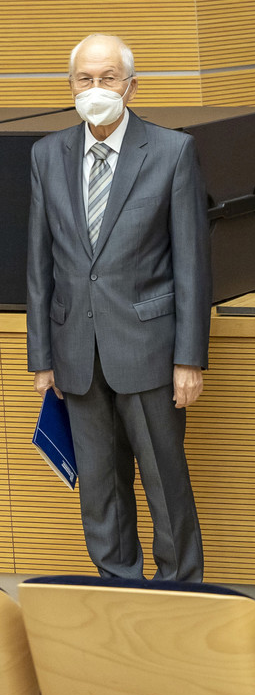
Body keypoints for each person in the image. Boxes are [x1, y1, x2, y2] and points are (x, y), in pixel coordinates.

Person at [26, 34, 210, 580]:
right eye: (85, 79)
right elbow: (39, 265)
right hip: (76, 354)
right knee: (100, 494)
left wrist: (189, 359)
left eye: (107, 78)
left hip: (150, 351)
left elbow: (192, 265)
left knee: (165, 488)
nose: (96, 88)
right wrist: (42, 359)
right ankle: (119, 592)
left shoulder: (172, 151)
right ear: (70, 85)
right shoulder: (46, 155)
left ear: (131, 86)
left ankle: (180, 595)